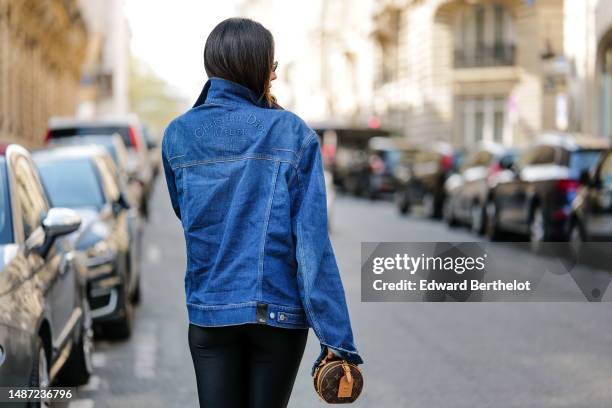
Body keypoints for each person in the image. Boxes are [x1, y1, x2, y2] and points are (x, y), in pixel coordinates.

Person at [161, 17, 363, 408]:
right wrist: (336, 339)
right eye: (273, 64)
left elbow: (185, 213)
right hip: (278, 318)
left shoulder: (177, 134)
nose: (274, 73)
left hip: (211, 312)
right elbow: (312, 247)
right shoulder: (292, 132)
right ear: (257, 67)